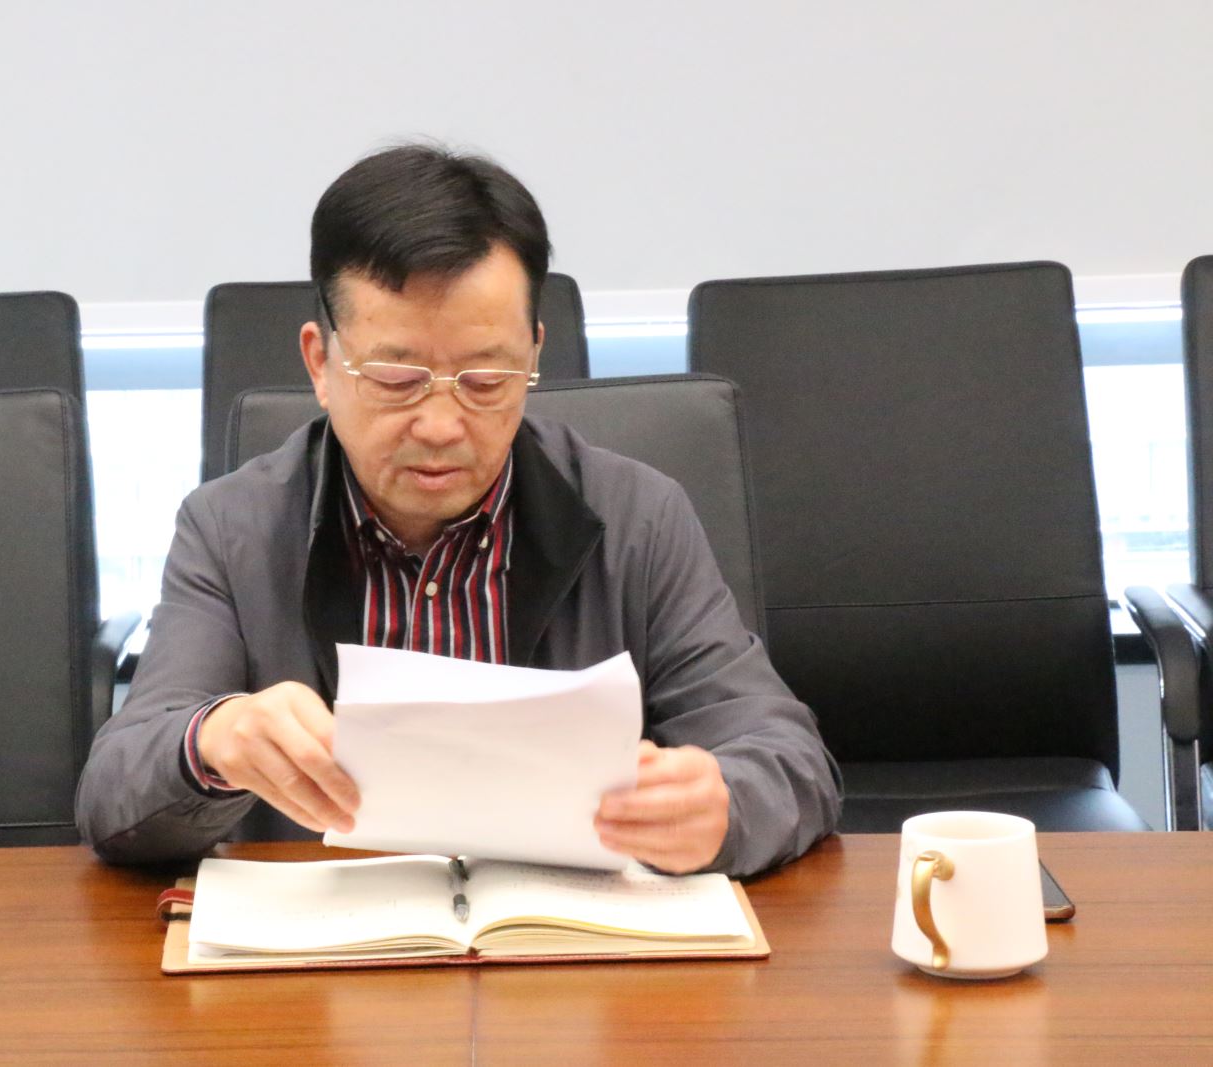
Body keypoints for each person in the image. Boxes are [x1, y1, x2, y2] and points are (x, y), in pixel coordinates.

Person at [76, 143, 840, 877]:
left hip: (567, 948)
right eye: (396, 378)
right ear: (320, 363)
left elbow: (790, 760)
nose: (441, 426)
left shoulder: (638, 519)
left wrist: (723, 806)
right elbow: (114, 794)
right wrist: (211, 741)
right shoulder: (230, 529)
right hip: (327, 949)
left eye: (485, 380)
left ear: (533, 355)